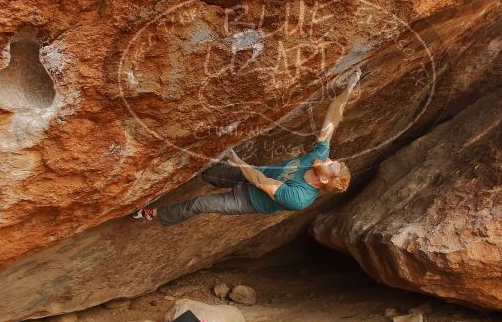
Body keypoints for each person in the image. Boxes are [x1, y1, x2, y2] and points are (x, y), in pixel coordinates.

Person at [131, 68, 361, 225]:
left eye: (332, 165)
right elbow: (332, 121)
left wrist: (238, 161)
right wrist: (347, 91)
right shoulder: (319, 157)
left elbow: (262, 183)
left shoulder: (300, 198)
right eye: (333, 160)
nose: (330, 159)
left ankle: (155, 214)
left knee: (201, 203)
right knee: (208, 172)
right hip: (249, 175)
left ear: (323, 180)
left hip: (247, 200)